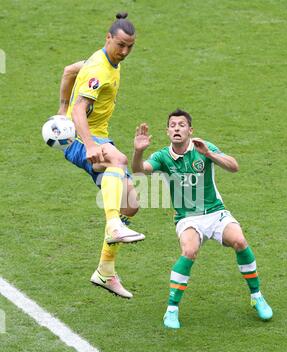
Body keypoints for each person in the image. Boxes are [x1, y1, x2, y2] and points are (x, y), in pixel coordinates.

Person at [132, 109, 273, 328]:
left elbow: (234, 167)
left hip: (215, 212)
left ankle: (257, 296)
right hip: (188, 218)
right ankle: (171, 310)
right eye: (172, 125)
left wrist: (209, 154)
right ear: (167, 131)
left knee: (240, 241)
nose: (177, 128)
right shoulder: (162, 156)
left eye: (181, 124)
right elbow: (140, 171)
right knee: (189, 251)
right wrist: (138, 152)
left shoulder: (202, 147)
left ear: (190, 130)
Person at [57, 12, 145, 299]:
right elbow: (80, 109)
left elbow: (70, 70)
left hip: (96, 136)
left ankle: (105, 272)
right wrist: (89, 144)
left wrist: (60, 110)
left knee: (131, 204)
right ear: (108, 38)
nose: (125, 51)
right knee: (117, 160)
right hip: (81, 140)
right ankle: (113, 225)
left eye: (130, 46)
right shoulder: (99, 70)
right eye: (120, 45)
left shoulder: (105, 61)